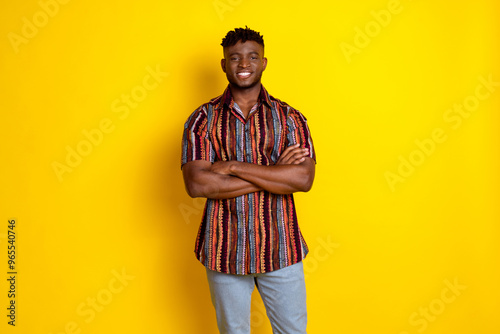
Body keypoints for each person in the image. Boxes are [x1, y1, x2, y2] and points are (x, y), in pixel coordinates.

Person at [181, 26, 316, 334]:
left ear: (264, 62)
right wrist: (274, 174)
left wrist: (231, 166)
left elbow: (303, 178)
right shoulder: (203, 119)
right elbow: (197, 185)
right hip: (223, 250)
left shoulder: (290, 118)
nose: (244, 65)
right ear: (224, 64)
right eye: (235, 58)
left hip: (282, 249)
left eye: (252, 57)